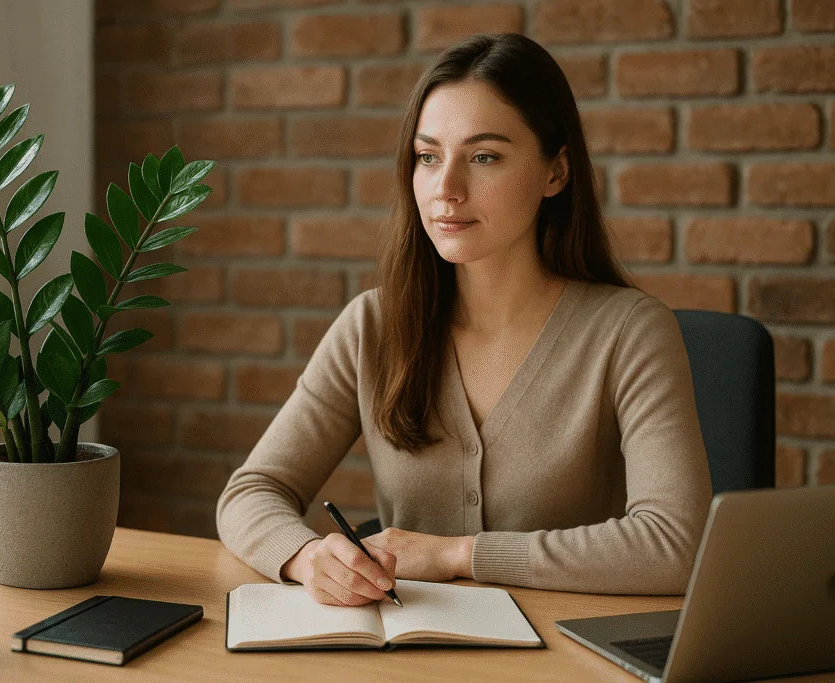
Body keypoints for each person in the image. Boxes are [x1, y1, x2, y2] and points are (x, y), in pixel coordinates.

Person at [215, 33, 712, 607]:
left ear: (555, 173)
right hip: (409, 658)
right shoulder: (372, 327)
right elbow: (251, 492)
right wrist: (305, 557)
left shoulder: (630, 332)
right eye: (428, 157)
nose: (446, 190)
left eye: (484, 157)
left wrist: (458, 555)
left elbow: (677, 544)